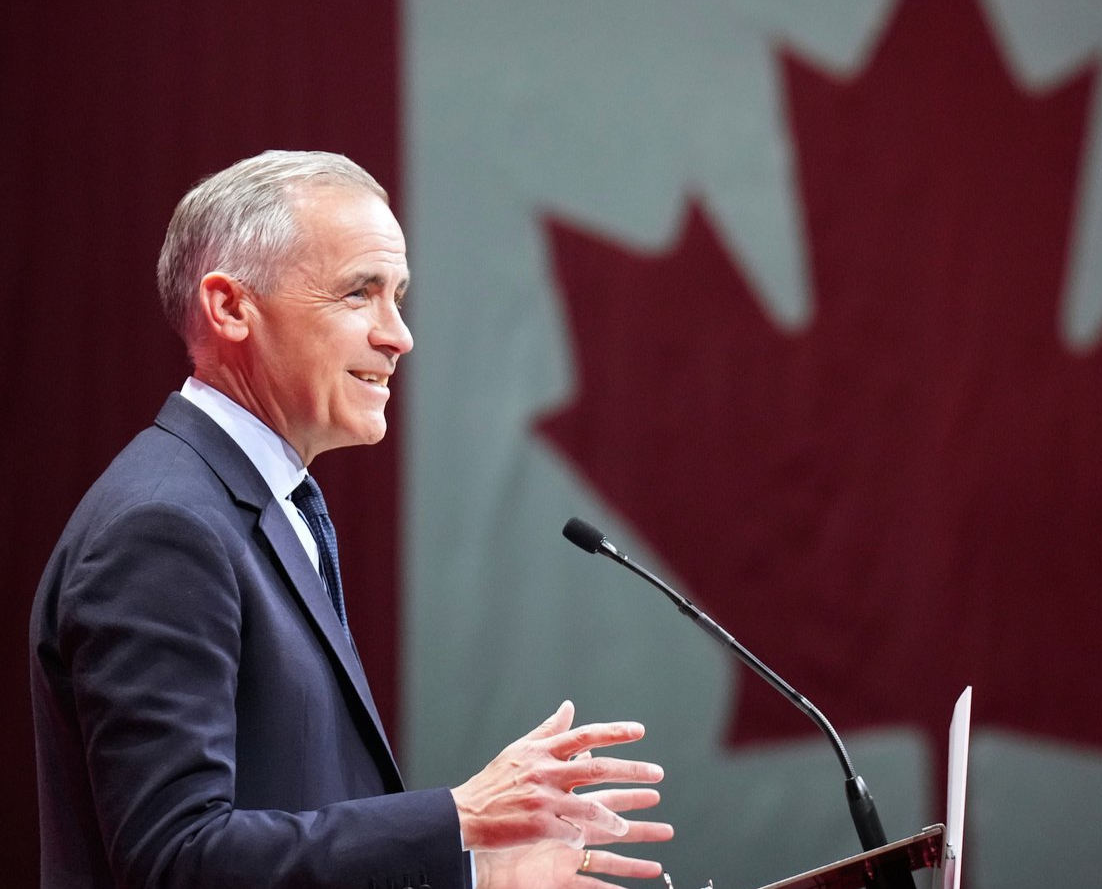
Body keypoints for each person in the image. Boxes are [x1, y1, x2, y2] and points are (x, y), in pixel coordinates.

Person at [29, 150, 672, 889]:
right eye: (359, 293)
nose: (398, 335)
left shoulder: (262, 504)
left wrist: (473, 873)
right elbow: (175, 862)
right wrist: (458, 816)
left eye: (398, 296)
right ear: (230, 308)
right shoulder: (164, 528)